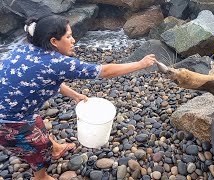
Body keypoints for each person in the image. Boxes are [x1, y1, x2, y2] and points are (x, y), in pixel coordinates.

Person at [0, 15, 156, 180]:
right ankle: (41, 176)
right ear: (54, 41)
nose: (73, 40)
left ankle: (56, 148)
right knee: (39, 148)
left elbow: (42, 79)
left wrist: (74, 95)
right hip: (7, 121)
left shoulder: (25, 49)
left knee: (37, 122)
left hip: (17, 109)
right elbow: (104, 71)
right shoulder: (57, 63)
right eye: (68, 36)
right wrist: (140, 64)